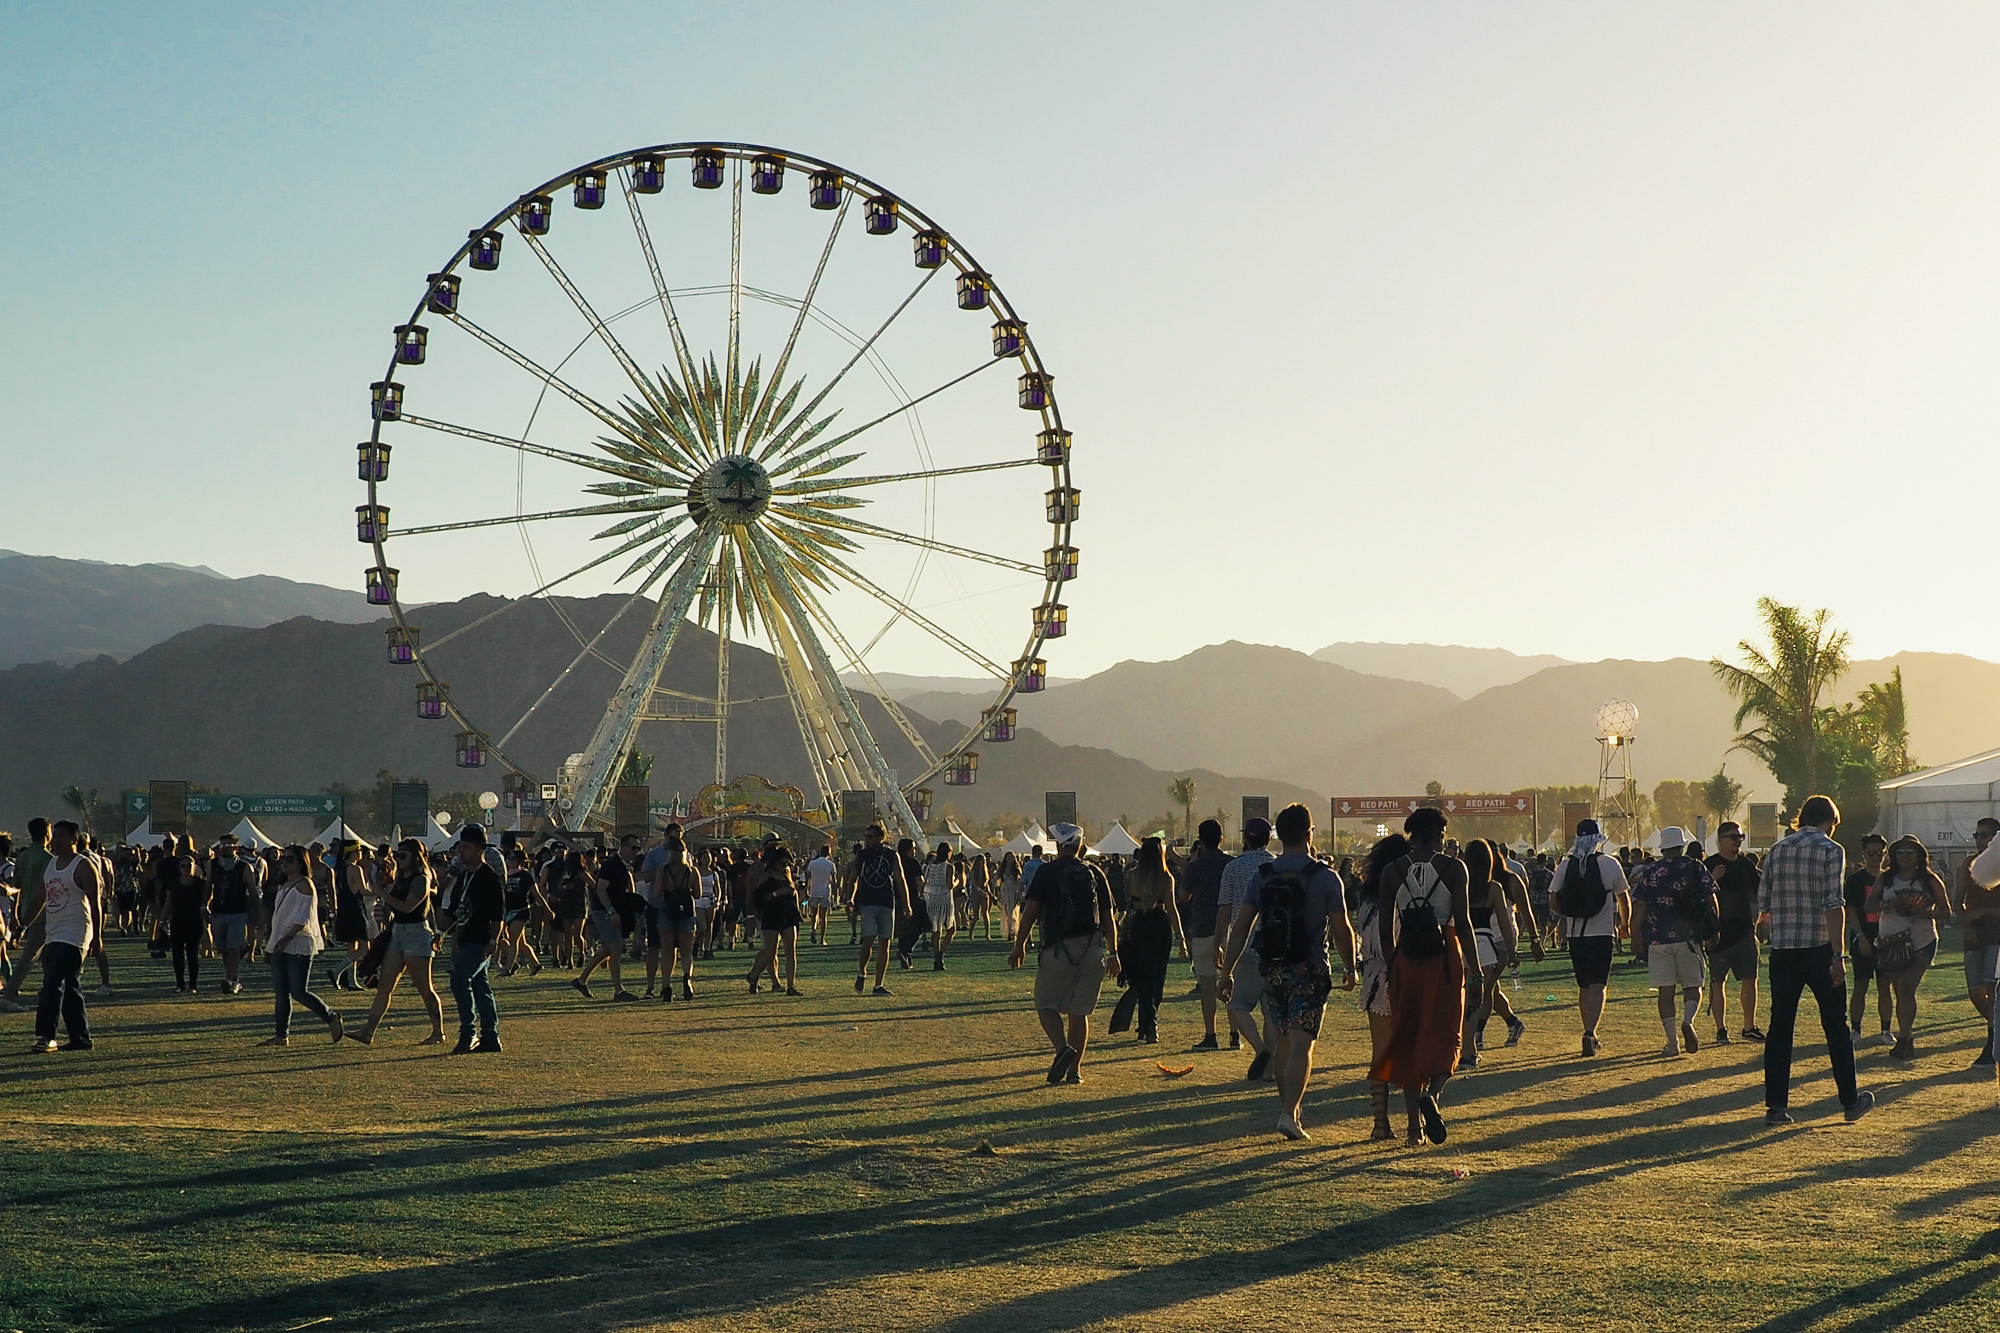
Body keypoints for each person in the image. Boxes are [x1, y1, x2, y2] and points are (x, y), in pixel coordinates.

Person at [1217, 804, 1356, 1139]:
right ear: (1310, 834)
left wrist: (1227, 972)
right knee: (1301, 1044)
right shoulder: (1325, 877)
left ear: (1279, 835)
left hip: (1272, 967)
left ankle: (1288, 1110)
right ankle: (1289, 1113)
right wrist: (1350, 966)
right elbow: (1341, 928)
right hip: (1309, 969)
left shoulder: (1263, 875)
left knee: (1280, 1041)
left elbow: (1241, 929)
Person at [1760, 796, 1873, 1125]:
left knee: (1780, 1027)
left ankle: (1776, 1106)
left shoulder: (1777, 849)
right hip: (1819, 947)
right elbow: (1833, 904)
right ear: (1831, 821)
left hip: (1784, 950)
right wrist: (1838, 955)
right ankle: (1850, 1101)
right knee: (1835, 1026)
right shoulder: (1830, 850)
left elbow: (1764, 902)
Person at [1371, 806, 1475, 1146]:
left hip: (1406, 960)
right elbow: (1463, 921)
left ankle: (1414, 1131)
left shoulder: (1391, 870)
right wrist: (1475, 972)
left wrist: (1393, 967)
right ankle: (1436, 1091)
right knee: (1448, 1035)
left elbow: (1385, 931)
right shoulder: (1454, 868)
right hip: (1444, 956)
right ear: (1439, 834)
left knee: (1408, 1041)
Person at [1007, 824, 1120, 1085]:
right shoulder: (1094, 872)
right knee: (1079, 1013)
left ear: (1058, 846)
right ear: (1080, 846)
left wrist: (1019, 944)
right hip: (1093, 951)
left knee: (1045, 1004)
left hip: (1059, 950)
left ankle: (1062, 1050)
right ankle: (1075, 1071)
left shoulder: (1048, 871)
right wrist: (1114, 953)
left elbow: (1031, 910)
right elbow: (1108, 918)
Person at [1628, 827, 1720, 1058]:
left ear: (1663, 847)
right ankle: (1688, 1021)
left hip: (1658, 938)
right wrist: (1714, 928)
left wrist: (1635, 934)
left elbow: (1640, 905)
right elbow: (1711, 898)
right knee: (1693, 987)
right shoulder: (1695, 867)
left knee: (1665, 991)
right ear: (1682, 845)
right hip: (1689, 937)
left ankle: (1672, 1043)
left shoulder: (1651, 871)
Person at [1548, 818, 1632, 1056]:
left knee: (1584, 986)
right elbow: (1623, 898)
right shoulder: (1610, 864)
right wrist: (1625, 924)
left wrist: (1568, 915)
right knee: (1598, 986)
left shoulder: (1566, 865)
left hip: (1576, 934)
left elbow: (1553, 900)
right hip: (1602, 933)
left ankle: (1587, 1029)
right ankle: (1590, 1032)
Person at [1866, 835, 1953, 1061]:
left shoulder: (1930, 880)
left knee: (1905, 989)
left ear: (1919, 856)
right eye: (1900, 851)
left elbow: (1946, 912)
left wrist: (1925, 913)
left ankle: (1904, 1039)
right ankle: (1904, 1039)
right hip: (1891, 942)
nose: (1904, 855)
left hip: (1921, 941)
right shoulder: (1886, 879)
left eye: (1909, 851)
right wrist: (1889, 904)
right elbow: (1868, 906)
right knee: (1899, 990)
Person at [352, 839, 445, 1046]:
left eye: (403, 856)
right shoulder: (401, 877)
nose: (398, 859)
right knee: (385, 986)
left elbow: (407, 907)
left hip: (416, 934)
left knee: (424, 987)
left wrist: (383, 894)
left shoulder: (421, 879)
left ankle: (438, 1032)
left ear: (415, 857)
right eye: (396, 855)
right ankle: (368, 1031)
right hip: (397, 933)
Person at [261, 844, 345, 1047]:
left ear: (300, 863)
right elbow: (278, 917)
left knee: (298, 990)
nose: (284, 864)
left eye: (289, 860)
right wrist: (271, 943)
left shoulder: (305, 884)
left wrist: (288, 936)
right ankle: (281, 1035)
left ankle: (331, 1017)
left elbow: (304, 916)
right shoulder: (283, 885)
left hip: (297, 942)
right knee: (281, 992)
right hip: (279, 941)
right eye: (283, 859)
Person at [1215, 817, 1279, 1079]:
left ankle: (1261, 1049)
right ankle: (1271, 1070)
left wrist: (1220, 941)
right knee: (1270, 1011)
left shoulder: (1233, 867)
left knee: (1237, 1004)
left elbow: (1225, 909)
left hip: (1244, 946)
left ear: (1246, 838)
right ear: (1269, 838)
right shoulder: (1277, 865)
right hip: (1275, 945)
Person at [1354, 833, 1408, 1140]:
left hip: (1374, 975)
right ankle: (1414, 1122)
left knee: (1380, 1052)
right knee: (1411, 1048)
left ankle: (1380, 1122)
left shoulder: (1367, 897)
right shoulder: (1404, 894)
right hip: (1401, 970)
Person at [29, 820, 99, 1053]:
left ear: (73, 839)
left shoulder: (83, 866)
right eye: (53, 836)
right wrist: (21, 925)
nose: (54, 840)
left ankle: (46, 1036)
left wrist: (97, 936)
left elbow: (96, 903)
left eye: (59, 836)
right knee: (70, 986)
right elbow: (40, 898)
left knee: (51, 983)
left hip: (76, 934)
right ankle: (81, 1037)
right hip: (54, 933)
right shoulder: (51, 865)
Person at [441, 825, 505, 1054]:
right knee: (480, 987)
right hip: (466, 936)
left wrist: (494, 940)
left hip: (481, 938)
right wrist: (445, 935)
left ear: (479, 849)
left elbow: (498, 914)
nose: (461, 852)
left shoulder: (489, 878)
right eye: (461, 847)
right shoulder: (465, 876)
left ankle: (468, 1033)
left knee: (460, 980)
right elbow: (457, 910)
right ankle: (491, 1036)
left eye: (466, 847)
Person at [1459, 839, 1524, 1068]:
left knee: (1462, 999)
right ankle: (1470, 1048)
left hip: (1461, 943)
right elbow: (1505, 924)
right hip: (1485, 945)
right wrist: (1512, 950)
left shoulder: (1459, 884)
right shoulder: (1493, 887)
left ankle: (1465, 1046)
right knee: (1476, 999)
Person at [1120, 836, 1188, 1044]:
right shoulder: (1166, 878)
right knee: (1158, 975)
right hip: (1159, 926)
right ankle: (1151, 1023)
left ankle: (1145, 1023)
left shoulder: (1131, 876)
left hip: (1138, 925)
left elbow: (1126, 906)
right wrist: (1181, 937)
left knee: (1141, 975)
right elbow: (1172, 909)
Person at [1705, 820, 1766, 1044]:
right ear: (1721, 840)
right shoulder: (1709, 865)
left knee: (1750, 979)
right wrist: (1712, 880)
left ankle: (1749, 1026)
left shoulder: (1745, 865)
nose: (1738, 841)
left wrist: (1759, 919)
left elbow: (1761, 891)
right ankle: (1721, 1029)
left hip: (1744, 931)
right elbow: (1698, 896)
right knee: (1717, 981)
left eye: (1740, 837)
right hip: (1718, 933)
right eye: (1733, 837)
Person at [1178, 820, 1231, 1051]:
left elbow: (1183, 897)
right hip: (1230, 929)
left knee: (1207, 987)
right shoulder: (1231, 864)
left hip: (1202, 929)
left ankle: (1211, 1035)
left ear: (1201, 839)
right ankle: (1235, 1033)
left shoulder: (1196, 867)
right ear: (1222, 837)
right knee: (1230, 982)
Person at [845, 824, 912, 996]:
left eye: (870, 837)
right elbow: (853, 879)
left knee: (885, 943)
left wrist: (907, 903)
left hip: (886, 901)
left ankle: (878, 984)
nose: (867, 840)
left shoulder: (891, 855)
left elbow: (900, 879)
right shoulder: (862, 855)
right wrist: (850, 899)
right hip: (867, 901)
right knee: (867, 939)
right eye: (866, 837)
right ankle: (862, 972)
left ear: (881, 837)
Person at [1954, 818, 2000, 1065]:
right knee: (1975, 991)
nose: (1981, 840)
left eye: (1987, 836)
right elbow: (1957, 900)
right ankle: (1995, 1027)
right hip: (1975, 934)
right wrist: (1965, 922)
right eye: (1978, 835)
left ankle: (1992, 1042)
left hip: (1996, 934)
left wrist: (1982, 913)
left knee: (1992, 989)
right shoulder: (1968, 863)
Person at [574, 842, 640, 1002]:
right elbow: (601, 889)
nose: (636, 852)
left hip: (610, 911)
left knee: (607, 949)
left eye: (638, 849)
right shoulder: (612, 866)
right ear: (623, 848)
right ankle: (618, 991)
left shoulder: (622, 867)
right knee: (616, 948)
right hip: (603, 911)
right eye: (633, 847)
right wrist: (610, 911)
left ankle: (581, 980)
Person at [1844, 832, 1892, 1048]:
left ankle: (1886, 1029)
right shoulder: (1856, 880)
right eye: (1871, 853)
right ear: (1864, 854)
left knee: (1885, 985)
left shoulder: (1891, 879)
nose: (1875, 857)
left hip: (1887, 938)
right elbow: (1851, 910)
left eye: (1879, 853)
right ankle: (1855, 1029)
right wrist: (1860, 936)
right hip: (1864, 936)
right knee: (1861, 985)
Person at [0, 818, 53, 1013]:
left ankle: (50, 989)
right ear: (48, 833)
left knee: (48, 954)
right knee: (30, 955)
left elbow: (17, 889)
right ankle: (9, 994)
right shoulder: (48, 859)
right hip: (43, 913)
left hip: (25, 911)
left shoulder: (22, 857)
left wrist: (16, 915)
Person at [207, 834, 261, 995]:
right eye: (222, 845)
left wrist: (257, 913)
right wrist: (204, 905)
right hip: (218, 911)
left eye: (229, 845)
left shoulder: (244, 867)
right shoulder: (213, 864)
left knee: (233, 947)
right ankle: (234, 979)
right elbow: (208, 885)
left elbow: (253, 891)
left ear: (236, 848)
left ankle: (230, 978)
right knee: (223, 949)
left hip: (238, 912)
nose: (225, 848)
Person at [653, 837, 699, 1001]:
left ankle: (666, 987)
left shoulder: (663, 870)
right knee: (686, 951)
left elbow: (657, 893)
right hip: (686, 911)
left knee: (667, 951)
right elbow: (698, 894)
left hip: (668, 909)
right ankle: (687, 977)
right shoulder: (692, 871)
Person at [163, 852, 210, 994]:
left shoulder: (201, 883)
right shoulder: (174, 884)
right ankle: (180, 984)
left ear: (194, 867)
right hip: (177, 921)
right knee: (177, 953)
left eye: (189, 865)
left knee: (192, 953)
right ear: (179, 868)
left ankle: (193, 985)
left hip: (195, 921)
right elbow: (168, 904)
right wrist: (161, 922)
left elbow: (207, 899)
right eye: (183, 865)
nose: (186, 868)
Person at [920, 842, 960, 971]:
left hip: (931, 899)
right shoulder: (949, 867)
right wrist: (957, 881)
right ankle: (940, 954)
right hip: (944, 898)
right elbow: (950, 885)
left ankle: (937, 956)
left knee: (937, 929)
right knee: (951, 928)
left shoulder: (928, 867)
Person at [804, 844, 837, 946]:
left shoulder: (812, 863)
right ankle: (822, 939)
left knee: (814, 914)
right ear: (829, 853)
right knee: (824, 917)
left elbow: (807, 877)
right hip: (825, 891)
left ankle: (813, 929)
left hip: (814, 891)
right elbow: (834, 881)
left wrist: (807, 890)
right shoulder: (831, 864)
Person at [998, 851, 1024, 944]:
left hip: (1013, 892)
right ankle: (1010, 931)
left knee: (1012, 912)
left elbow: (1020, 881)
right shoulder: (1003, 869)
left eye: (1011, 857)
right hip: (1005, 892)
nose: (1009, 859)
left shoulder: (1016, 869)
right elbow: (997, 880)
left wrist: (1019, 894)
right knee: (1007, 912)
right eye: (1008, 857)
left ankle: (1013, 931)